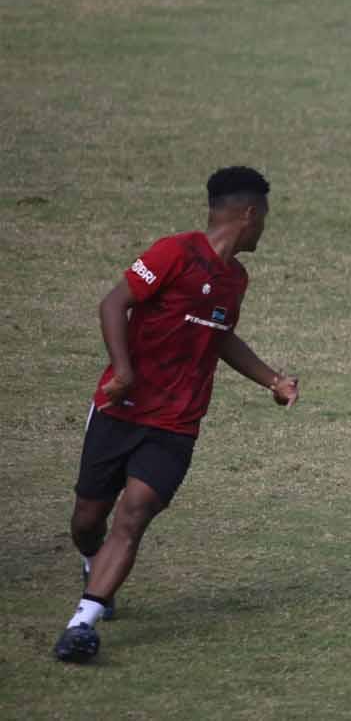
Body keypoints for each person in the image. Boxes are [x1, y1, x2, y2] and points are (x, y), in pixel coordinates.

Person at [54, 167, 300, 663]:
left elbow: (221, 334)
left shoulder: (235, 279)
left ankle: (83, 622)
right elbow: (113, 304)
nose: (266, 228)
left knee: (135, 513)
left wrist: (271, 379)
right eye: (264, 217)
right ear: (247, 214)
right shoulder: (175, 253)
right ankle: (90, 561)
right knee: (87, 521)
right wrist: (122, 370)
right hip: (121, 409)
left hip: (176, 424)